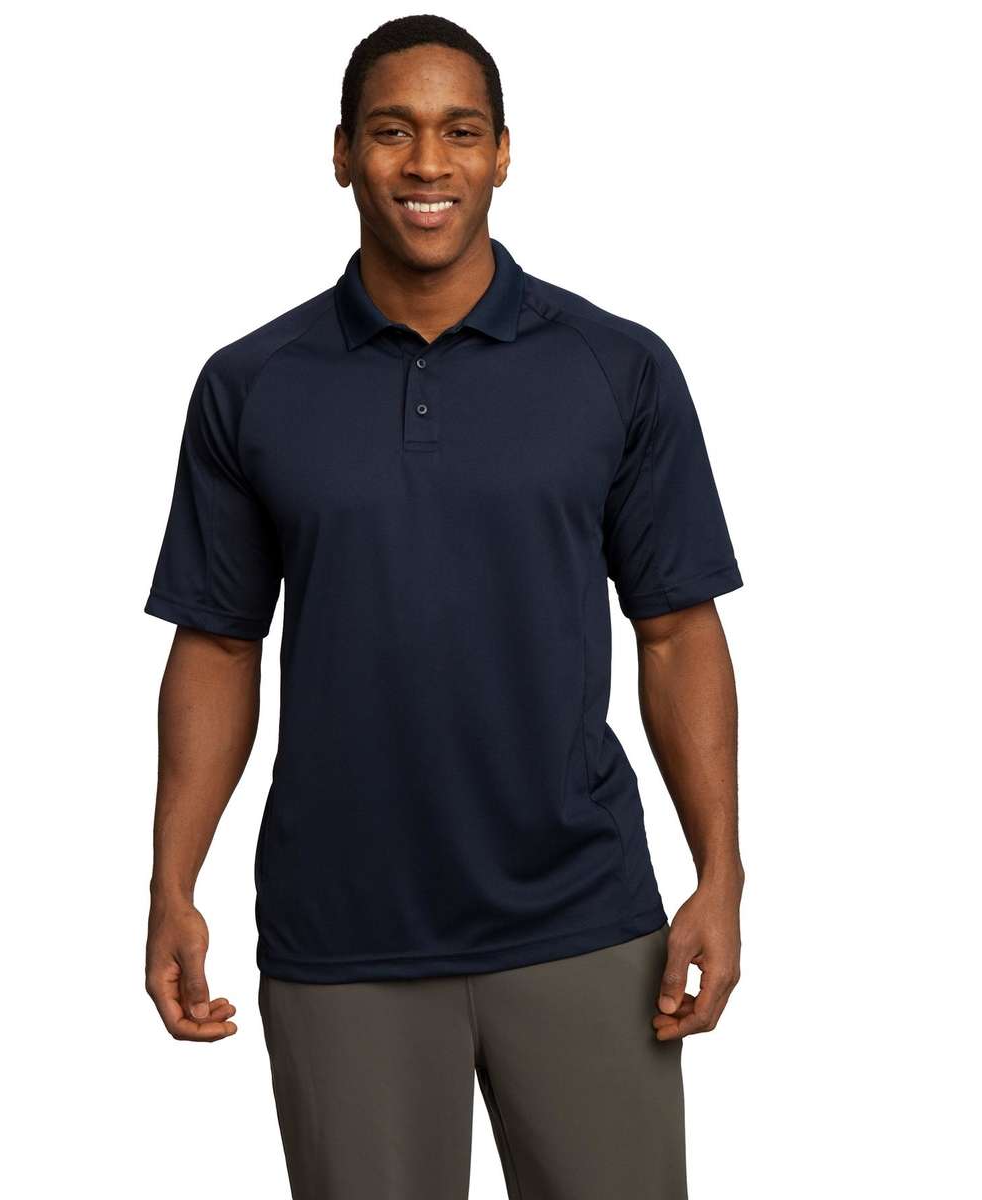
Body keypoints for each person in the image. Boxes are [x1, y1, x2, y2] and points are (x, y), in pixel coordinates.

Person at [143, 14, 744, 1199]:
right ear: (341, 153)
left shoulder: (616, 367)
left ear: (504, 153)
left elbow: (678, 632)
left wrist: (720, 874)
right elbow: (217, 643)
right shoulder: (250, 385)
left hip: (582, 918)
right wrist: (171, 882)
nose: (428, 163)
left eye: (460, 131)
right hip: (341, 937)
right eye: (392, 131)